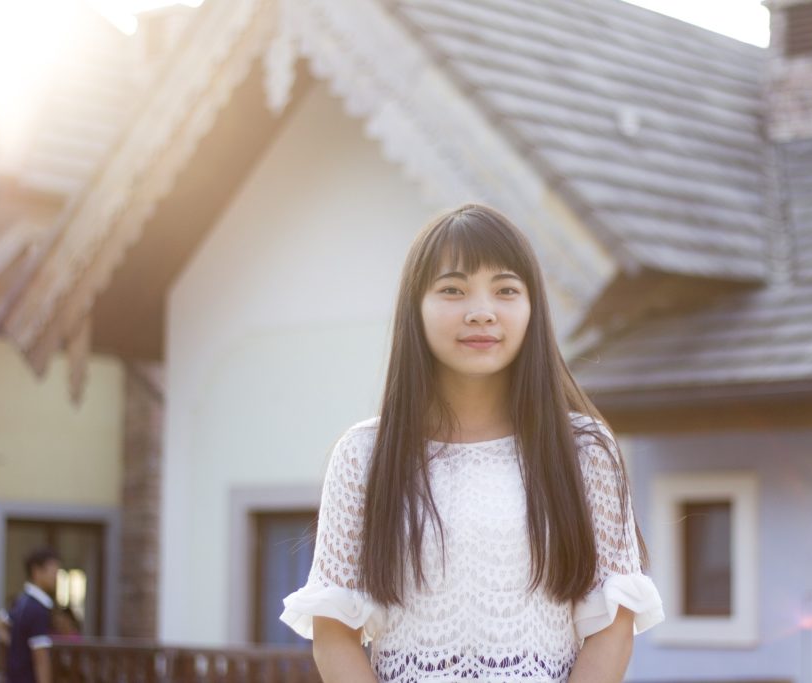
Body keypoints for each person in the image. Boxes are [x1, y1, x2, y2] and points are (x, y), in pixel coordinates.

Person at [280, 204, 664, 682]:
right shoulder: (364, 455)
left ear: (532, 308)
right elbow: (333, 633)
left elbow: (614, 625)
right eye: (452, 290)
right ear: (414, 309)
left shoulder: (584, 449)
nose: (481, 313)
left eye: (505, 290)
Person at [7, 547, 61, 683]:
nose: (56, 577)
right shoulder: (37, 608)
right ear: (36, 571)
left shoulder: (21, 601)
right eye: (53, 571)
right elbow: (40, 657)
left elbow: (0, 623)